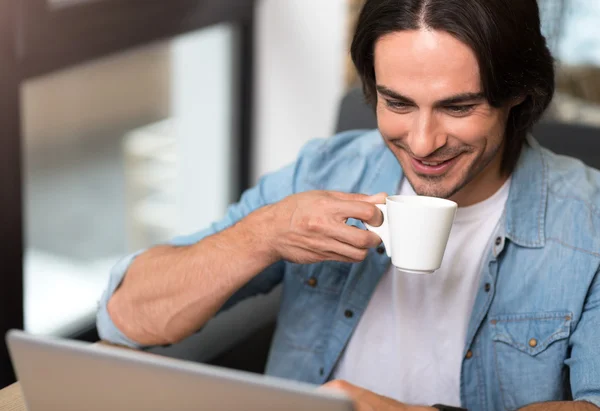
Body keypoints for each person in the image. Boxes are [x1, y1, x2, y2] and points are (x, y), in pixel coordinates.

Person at [97, 0, 600, 410]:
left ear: (518, 95)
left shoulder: (589, 221)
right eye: (397, 103)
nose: (422, 143)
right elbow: (126, 319)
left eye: (458, 106)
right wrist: (265, 233)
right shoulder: (323, 170)